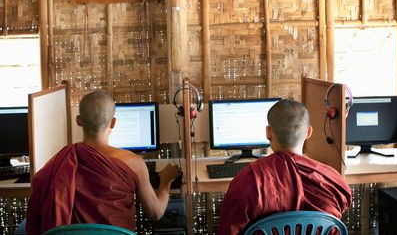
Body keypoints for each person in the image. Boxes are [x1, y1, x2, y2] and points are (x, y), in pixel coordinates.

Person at [26, 91, 181, 234]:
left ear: (78, 121)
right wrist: (165, 181)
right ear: (113, 123)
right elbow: (156, 212)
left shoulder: (60, 161)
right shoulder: (134, 162)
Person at [217, 99, 352, 235]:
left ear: (268, 132)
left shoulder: (249, 180)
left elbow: (228, 230)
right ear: (308, 132)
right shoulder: (332, 179)